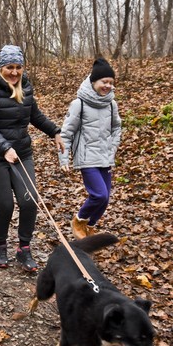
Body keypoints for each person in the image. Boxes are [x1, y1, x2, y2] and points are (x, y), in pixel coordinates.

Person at [0, 44, 65, 272]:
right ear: (0, 68)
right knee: (5, 205)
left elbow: (34, 115)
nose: (14, 72)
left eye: (18, 67)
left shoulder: (25, 87)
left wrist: (54, 131)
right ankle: (1, 245)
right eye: (9, 67)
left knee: (29, 201)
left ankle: (24, 248)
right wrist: (4, 148)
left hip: (22, 154)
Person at [58, 57, 122, 239]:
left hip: (105, 157)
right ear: (93, 81)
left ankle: (90, 226)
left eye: (111, 82)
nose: (108, 86)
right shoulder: (80, 104)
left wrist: (113, 145)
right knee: (99, 195)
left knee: (105, 199)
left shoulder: (111, 104)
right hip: (87, 158)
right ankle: (79, 219)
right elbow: (66, 133)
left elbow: (117, 127)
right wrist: (64, 158)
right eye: (104, 82)